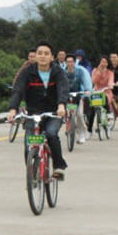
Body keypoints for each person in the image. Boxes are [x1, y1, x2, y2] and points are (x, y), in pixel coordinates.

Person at [8, 41, 69, 179]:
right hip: (33, 113)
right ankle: (32, 173)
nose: (42, 56)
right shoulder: (27, 72)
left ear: (52, 57)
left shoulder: (58, 72)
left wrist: (61, 105)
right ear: (35, 56)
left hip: (53, 112)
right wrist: (13, 109)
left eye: (46, 54)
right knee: (28, 145)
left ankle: (58, 166)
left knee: (51, 134)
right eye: (39, 53)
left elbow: (63, 88)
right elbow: (17, 91)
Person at [65, 55, 92, 144]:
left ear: (74, 62)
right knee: (68, 115)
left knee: (79, 115)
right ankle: (71, 129)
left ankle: (82, 134)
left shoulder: (80, 71)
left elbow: (85, 81)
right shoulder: (62, 72)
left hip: (77, 96)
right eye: (68, 61)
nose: (70, 63)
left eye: (71, 61)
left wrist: (87, 90)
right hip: (66, 96)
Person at [88, 55, 115, 134]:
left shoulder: (110, 72)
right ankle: (89, 129)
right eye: (102, 62)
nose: (104, 64)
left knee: (105, 98)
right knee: (92, 110)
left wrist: (110, 86)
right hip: (97, 92)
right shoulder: (95, 71)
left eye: (105, 62)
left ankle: (108, 113)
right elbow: (93, 81)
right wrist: (99, 72)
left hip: (106, 92)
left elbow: (110, 81)